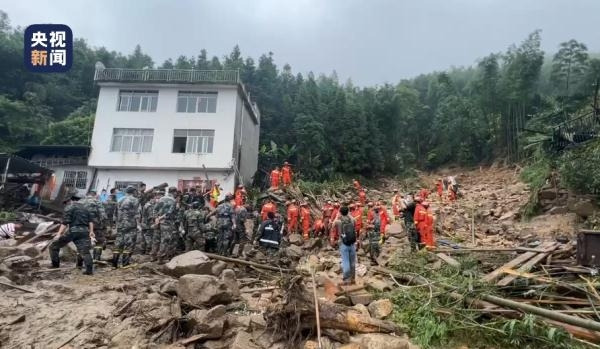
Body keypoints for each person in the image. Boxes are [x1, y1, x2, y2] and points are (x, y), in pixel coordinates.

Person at [49, 194, 94, 275]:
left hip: (73, 231)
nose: (67, 203)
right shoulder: (86, 209)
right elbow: (91, 222)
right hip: (84, 232)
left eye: (67, 202)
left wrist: (59, 234)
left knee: (54, 246)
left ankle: (55, 265)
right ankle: (89, 271)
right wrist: (91, 232)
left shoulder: (69, 207)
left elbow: (65, 222)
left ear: (71, 200)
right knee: (85, 252)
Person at [113, 186, 141, 267]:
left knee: (119, 242)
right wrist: (138, 225)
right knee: (129, 243)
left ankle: (114, 262)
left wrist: (115, 223)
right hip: (130, 224)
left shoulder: (120, 199)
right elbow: (137, 213)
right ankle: (125, 263)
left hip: (120, 224)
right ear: (133, 192)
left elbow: (115, 213)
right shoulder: (135, 200)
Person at [81, 189, 108, 261]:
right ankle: (96, 259)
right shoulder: (97, 202)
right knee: (99, 241)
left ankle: (80, 262)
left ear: (88, 194)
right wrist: (104, 226)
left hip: (82, 225)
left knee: (83, 242)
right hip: (96, 225)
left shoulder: (80, 202)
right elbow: (103, 215)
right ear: (95, 195)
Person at [154, 186, 178, 262]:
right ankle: (161, 258)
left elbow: (155, 209)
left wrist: (156, 219)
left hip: (158, 222)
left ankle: (154, 256)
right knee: (166, 240)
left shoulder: (161, 198)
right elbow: (169, 213)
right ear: (174, 192)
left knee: (157, 239)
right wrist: (161, 218)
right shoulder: (173, 200)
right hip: (167, 222)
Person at [334, 206, 356, 285]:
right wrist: (349, 214)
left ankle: (347, 279)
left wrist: (337, 216)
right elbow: (354, 223)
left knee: (346, 261)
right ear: (348, 212)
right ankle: (353, 279)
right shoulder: (352, 220)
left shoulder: (338, 222)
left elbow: (332, 225)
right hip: (352, 243)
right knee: (352, 262)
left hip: (343, 243)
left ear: (340, 212)